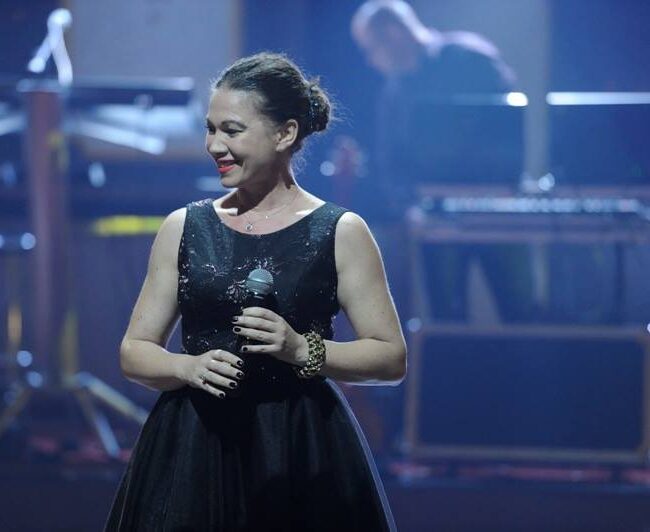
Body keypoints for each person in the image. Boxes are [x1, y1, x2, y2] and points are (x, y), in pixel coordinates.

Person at [103, 52, 406, 531]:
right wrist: (186, 367)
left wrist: (301, 349)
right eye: (210, 130)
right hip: (195, 444)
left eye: (232, 130)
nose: (214, 145)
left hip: (299, 446)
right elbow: (134, 351)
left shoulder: (341, 231)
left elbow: (390, 357)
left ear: (285, 133)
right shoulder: (184, 226)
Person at [351, 0, 536, 323]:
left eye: (371, 49)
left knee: (520, 311)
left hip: (498, 212)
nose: (369, 61)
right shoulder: (395, 92)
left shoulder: (471, 58)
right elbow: (390, 161)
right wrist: (409, 207)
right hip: (437, 220)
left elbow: (509, 128)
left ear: (393, 33)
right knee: (446, 318)